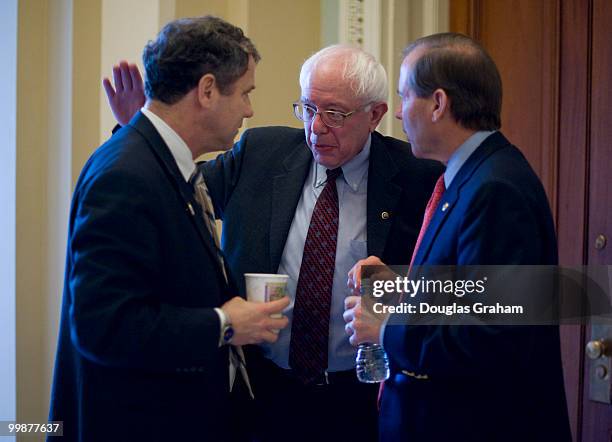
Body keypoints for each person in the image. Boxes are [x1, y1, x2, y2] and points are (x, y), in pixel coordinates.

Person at [105, 44, 443, 442]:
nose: (316, 128)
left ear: (375, 115)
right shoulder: (260, 152)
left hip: (360, 398)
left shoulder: (419, 177)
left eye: (334, 114)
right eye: (308, 109)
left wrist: (396, 288)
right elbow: (173, 195)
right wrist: (142, 134)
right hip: (260, 392)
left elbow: (448, 288)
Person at [49, 16, 290, 442]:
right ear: (208, 90)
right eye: (245, 93)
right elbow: (103, 327)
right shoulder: (127, 174)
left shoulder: (156, 157)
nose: (249, 110)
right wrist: (224, 323)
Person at [343, 33, 572, 442]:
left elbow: (490, 334)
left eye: (404, 96)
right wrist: (408, 289)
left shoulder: (496, 189)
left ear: (438, 104)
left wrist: (386, 327)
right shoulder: (476, 175)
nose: (397, 113)